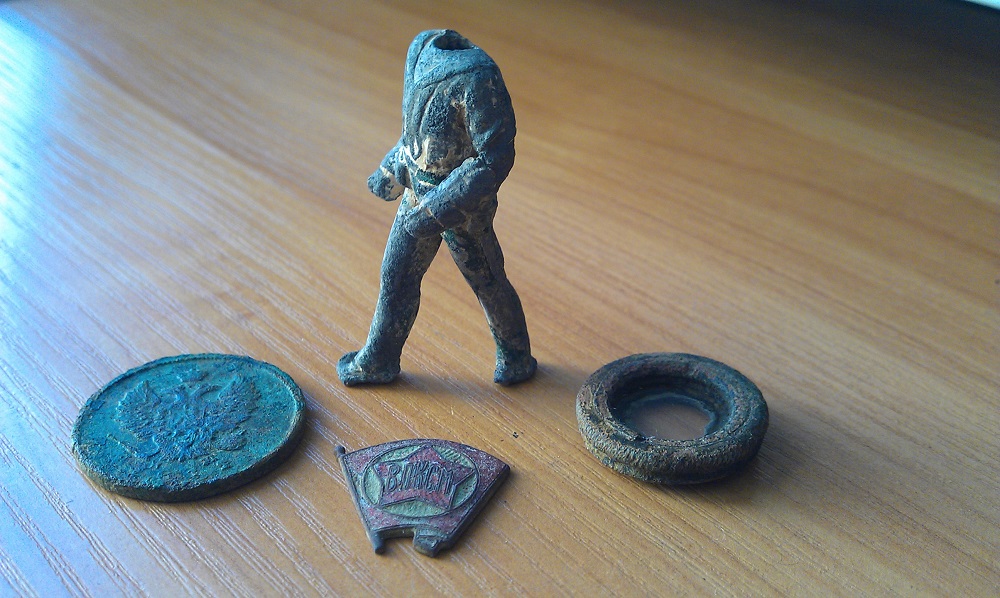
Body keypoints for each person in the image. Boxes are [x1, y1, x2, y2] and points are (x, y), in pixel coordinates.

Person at [338, 29, 537, 387]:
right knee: (396, 277)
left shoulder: (479, 75)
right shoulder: (420, 49)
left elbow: (494, 158)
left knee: (487, 281)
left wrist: (440, 207)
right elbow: (412, 133)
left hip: (463, 210)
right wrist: (391, 170)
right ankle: (379, 359)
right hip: (417, 196)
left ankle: (516, 356)